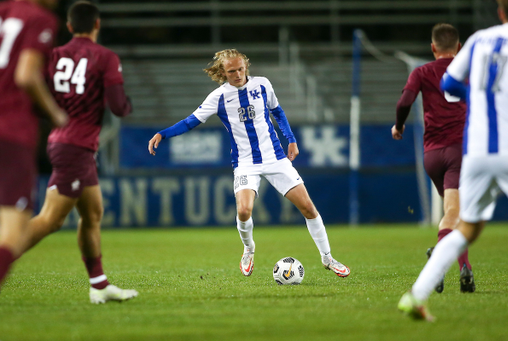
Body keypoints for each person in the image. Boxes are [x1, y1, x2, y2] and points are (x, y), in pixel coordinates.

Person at [148, 49, 350, 278]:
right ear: (223, 73)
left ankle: (328, 258)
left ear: (246, 67)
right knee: (244, 211)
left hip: (275, 157)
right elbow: (190, 121)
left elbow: (278, 112)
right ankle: (249, 249)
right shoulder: (219, 97)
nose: (237, 74)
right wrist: (162, 134)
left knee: (308, 208)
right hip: (245, 163)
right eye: (231, 71)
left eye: (240, 69)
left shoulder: (263, 85)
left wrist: (291, 139)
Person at [398, 0, 508, 321]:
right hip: (503, 150)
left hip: (475, 153)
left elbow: (449, 83)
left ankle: (416, 296)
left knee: (465, 227)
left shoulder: (481, 41)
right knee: (456, 218)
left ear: (500, 12)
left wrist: (477, 95)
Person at [20, 1, 138, 304]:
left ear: (70, 27)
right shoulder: (105, 57)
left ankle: (99, 284)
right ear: (97, 24)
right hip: (75, 148)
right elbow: (117, 106)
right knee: (50, 220)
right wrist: (127, 104)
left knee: (92, 213)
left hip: (64, 142)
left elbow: (35, 98)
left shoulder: (53, 55)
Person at [392, 23, 475, 294]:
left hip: (431, 155)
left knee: (454, 213)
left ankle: (466, 270)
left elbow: (404, 102)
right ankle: (439, 261)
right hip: (457, 151)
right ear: (459, 48)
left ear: (433, 47)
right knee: (455, 213)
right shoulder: (469, 71)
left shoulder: (422, 71)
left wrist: (399, 126)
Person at [0, 0, 68, 290]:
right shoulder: (38, 18)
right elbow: (26, 75)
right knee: (13, 232)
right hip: (10, 131)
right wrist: (55, 113)